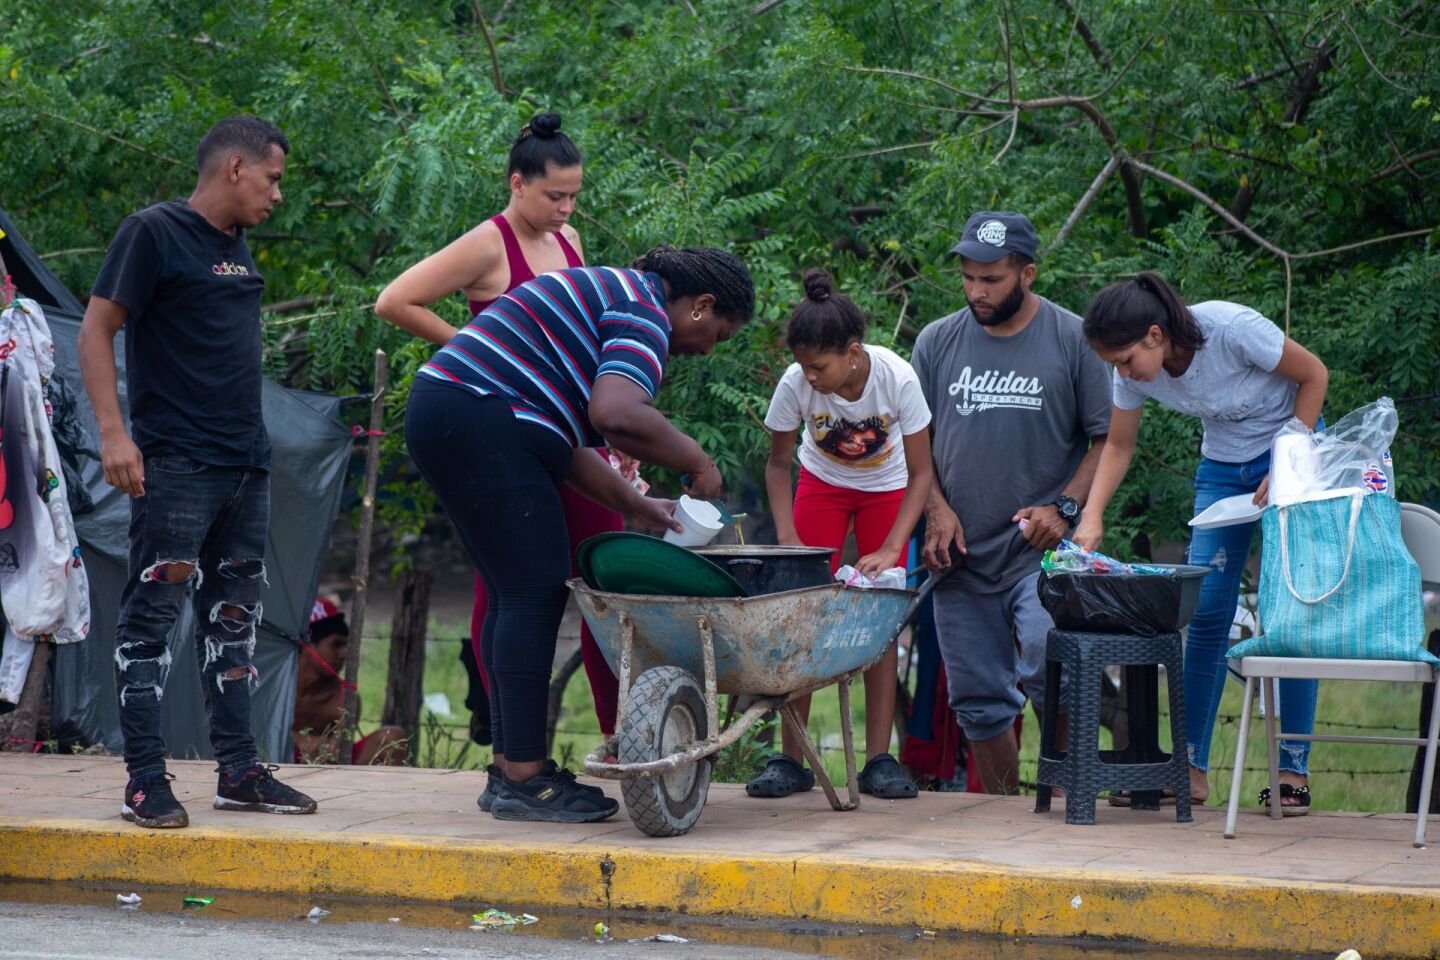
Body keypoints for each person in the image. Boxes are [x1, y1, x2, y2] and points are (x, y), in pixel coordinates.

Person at [398, 246, 752, 823]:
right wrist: (699, 462)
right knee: (533, 593)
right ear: (701, 305)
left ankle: (512, 767)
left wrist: (639, 507)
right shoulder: (644, 309)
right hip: (482, 412)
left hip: (452, 408)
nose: (708, 347)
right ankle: (525, 780)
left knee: (512, 592)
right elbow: (616, 413)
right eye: (719, 332)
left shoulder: (611, 296)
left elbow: (571, 449)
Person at [375, 113, 625, 797]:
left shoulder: (569, 239)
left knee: (610, 575)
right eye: (553, 195)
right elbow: (394, 300)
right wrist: (475, 350)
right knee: (513, 591)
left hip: (568, 434)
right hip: (506, 439)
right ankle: (511, 749)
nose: (566, 208)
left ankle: (620, 734)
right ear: (517, 184)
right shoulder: (488, 243)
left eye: (574, 196)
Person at [78, 115, 317, 828]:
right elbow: (95, 328)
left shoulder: (236, 247)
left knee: (235, 620)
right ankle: (144, 781)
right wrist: (114, 436)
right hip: (177, 465)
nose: (278, 196)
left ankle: (239, 771)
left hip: (247, 465)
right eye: (272, 179)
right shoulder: (151, 232)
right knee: (151, 622)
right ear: (236, 169)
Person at [1072, 272, 1328, 814]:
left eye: (1125, 359)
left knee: (1291, 611)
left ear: (1155, 334)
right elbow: (1118, 445)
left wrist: (1289, 457)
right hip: (1223, 470)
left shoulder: (1232, 328)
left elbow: (1314, 377)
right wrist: (1091, 515)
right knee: (1205, 611)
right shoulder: (1134, 373)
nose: (1123, 373)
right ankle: (1188, 769)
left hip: (1293, 453)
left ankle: (1291, 773)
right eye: (1114, 364)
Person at [911, 211, 1111, 794]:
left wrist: (1064, 508)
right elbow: (914, 447)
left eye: (992, 279)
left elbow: (1108, 441)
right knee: (977, 701)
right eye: (969, 277)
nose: (977, 290)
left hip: (1039, 552)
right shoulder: (936, 341)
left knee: (1055, 671)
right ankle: (998, 817)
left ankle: (1071, 802)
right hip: (960, 554)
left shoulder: (1073, 339)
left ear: (1027, 273)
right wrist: (935, 509)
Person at [746, 269, 933, 800]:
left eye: (819, 367)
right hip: (822, 485)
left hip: (887, 488)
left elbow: (922, 472)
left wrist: (894, 546)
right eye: (803, 367)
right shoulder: (795, 383)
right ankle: (790, 757)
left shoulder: (896, 379)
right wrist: (787, 535)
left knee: (879, 617)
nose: (810, 377)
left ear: (853, 352)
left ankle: (879, 759)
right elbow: (778, 465)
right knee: (801, 613)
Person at [292, 599, 409, 766]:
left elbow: (338, 751)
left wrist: (322, 745)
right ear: (307, 647)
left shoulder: (344, 698)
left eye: (346, 645)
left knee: (393, 737)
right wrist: (301, 740)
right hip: (276, 762)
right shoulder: (272, 686)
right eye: (336, 645)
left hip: (329, 769)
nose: (344, 654)